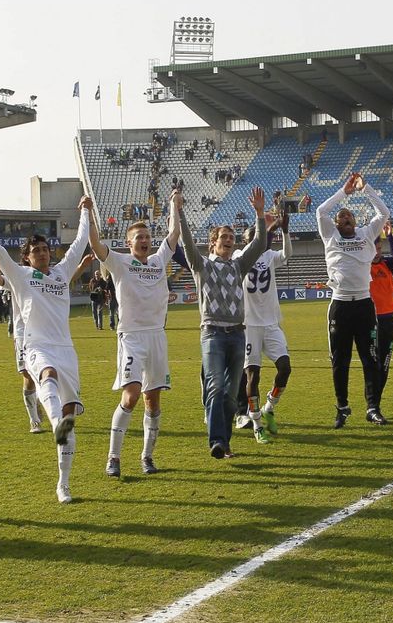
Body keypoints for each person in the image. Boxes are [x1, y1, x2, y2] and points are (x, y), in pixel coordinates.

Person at [0, 198, 95, 503]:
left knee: (70, 418)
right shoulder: (20, 275)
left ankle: (63, 484)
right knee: (46, 375)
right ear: (26, 258)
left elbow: (81, 242)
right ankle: (52, 421)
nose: (42, 253)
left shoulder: (60, 273)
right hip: (36, 345)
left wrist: (84, 209)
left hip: (66, 348)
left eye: (44, 249)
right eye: (35, 251)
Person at [92, 194, 181, 477]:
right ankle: (114, 457)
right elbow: (95, 245)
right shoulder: (120, 263)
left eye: (147, 236)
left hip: (157, 336)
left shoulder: (158, 260)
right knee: (130, 396)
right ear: (129, 243)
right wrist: (88, 213)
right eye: (139, 237)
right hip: (131, 336)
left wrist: (174, 205)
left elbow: (174, 233)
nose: (144, 240)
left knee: (152, 401)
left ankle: (146, 457)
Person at [177, 187, 270, 453]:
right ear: (213, 243)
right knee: (217, 387)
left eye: (231, 237)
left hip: (238, 334)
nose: (229, 240)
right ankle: (217, 440)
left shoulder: (238, 266)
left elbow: (260, 243)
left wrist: (260, 214)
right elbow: (186, 242)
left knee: (230, 394)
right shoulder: (202, 264)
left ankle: (224, 441)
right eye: (224, 237)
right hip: (213, 334)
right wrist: (181, 211)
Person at [317, 173, 390, 428]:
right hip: (340, 306)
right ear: (335, 224)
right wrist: (343, 193)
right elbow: (321, 210)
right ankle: (342, 406)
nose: (345, 217)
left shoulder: (366, 234)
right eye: (341, 216)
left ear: (355, 221)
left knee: (370, 358)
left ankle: (373, 407)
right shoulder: (330, 236)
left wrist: (365, 189)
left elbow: (383, 213)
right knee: (340, 360)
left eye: (348, 215)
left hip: (363, 304)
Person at [233, 208, 294, 438]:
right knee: (252, 376)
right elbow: (254, 246)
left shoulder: (270, 257)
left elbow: (287, 254)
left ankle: (268, 408)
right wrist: (266, 229)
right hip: (249, 326)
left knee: (285, 368)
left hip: (270, 324)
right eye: (255, 237)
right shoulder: (240, 256)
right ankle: (257, 424)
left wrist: (285, 231)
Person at [0, 257, 43, 434]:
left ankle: (39, 399)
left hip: (44, 332)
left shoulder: (46, 278)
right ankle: (34, 420)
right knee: (27, 375)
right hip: (22, 334)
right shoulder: (17, 278)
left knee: (46, 374)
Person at [369, 221, 393, 405]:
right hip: (369, 321)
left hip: (388, 320)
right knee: (373, 363)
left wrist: (390, 235)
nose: (379, 251)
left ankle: (376, 402)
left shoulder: (387, 265)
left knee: (384, 364)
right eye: (375, 248)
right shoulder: (363, 266)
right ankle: (372, 403)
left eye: (380, 248)